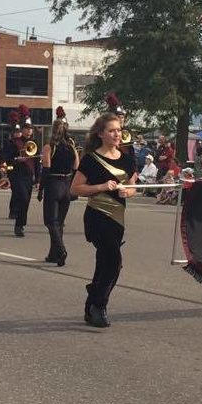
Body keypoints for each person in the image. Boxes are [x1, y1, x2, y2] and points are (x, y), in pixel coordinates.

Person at [70, 112, 138, 328]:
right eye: (112, 130)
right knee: (114, 261)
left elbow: (133, 186)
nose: (117, 134)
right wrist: (100, 187)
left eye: (118, 130)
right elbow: (75, 188)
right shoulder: (91, 159)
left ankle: (92, 304)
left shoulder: (127, 159)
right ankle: (99, 305)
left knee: (105, 263)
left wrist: (128, 192)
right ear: (100, 134)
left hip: (118, 218)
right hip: (97, 216)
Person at [40, 107, 77, 266]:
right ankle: (53, 254)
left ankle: (61, 250)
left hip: (54, 184)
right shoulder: (71, 146)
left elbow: (46, 169)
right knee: (59, 223)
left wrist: (41, 188)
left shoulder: (49, 146)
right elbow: (77, 165)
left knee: (50, 221)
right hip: (67, 184)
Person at [0, 107, 37, 237]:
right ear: (22, 129)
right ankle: (19, 226)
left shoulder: (34, 143)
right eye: (27, 128)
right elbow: (7, 158)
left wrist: (37, 178)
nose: (29, 130)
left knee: (26, 201)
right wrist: (15, 161)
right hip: (16, 174)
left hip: (28, 175)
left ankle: (21, 223)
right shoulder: (13, 143)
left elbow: (36, 162)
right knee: (23, 198)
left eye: (31, 128)